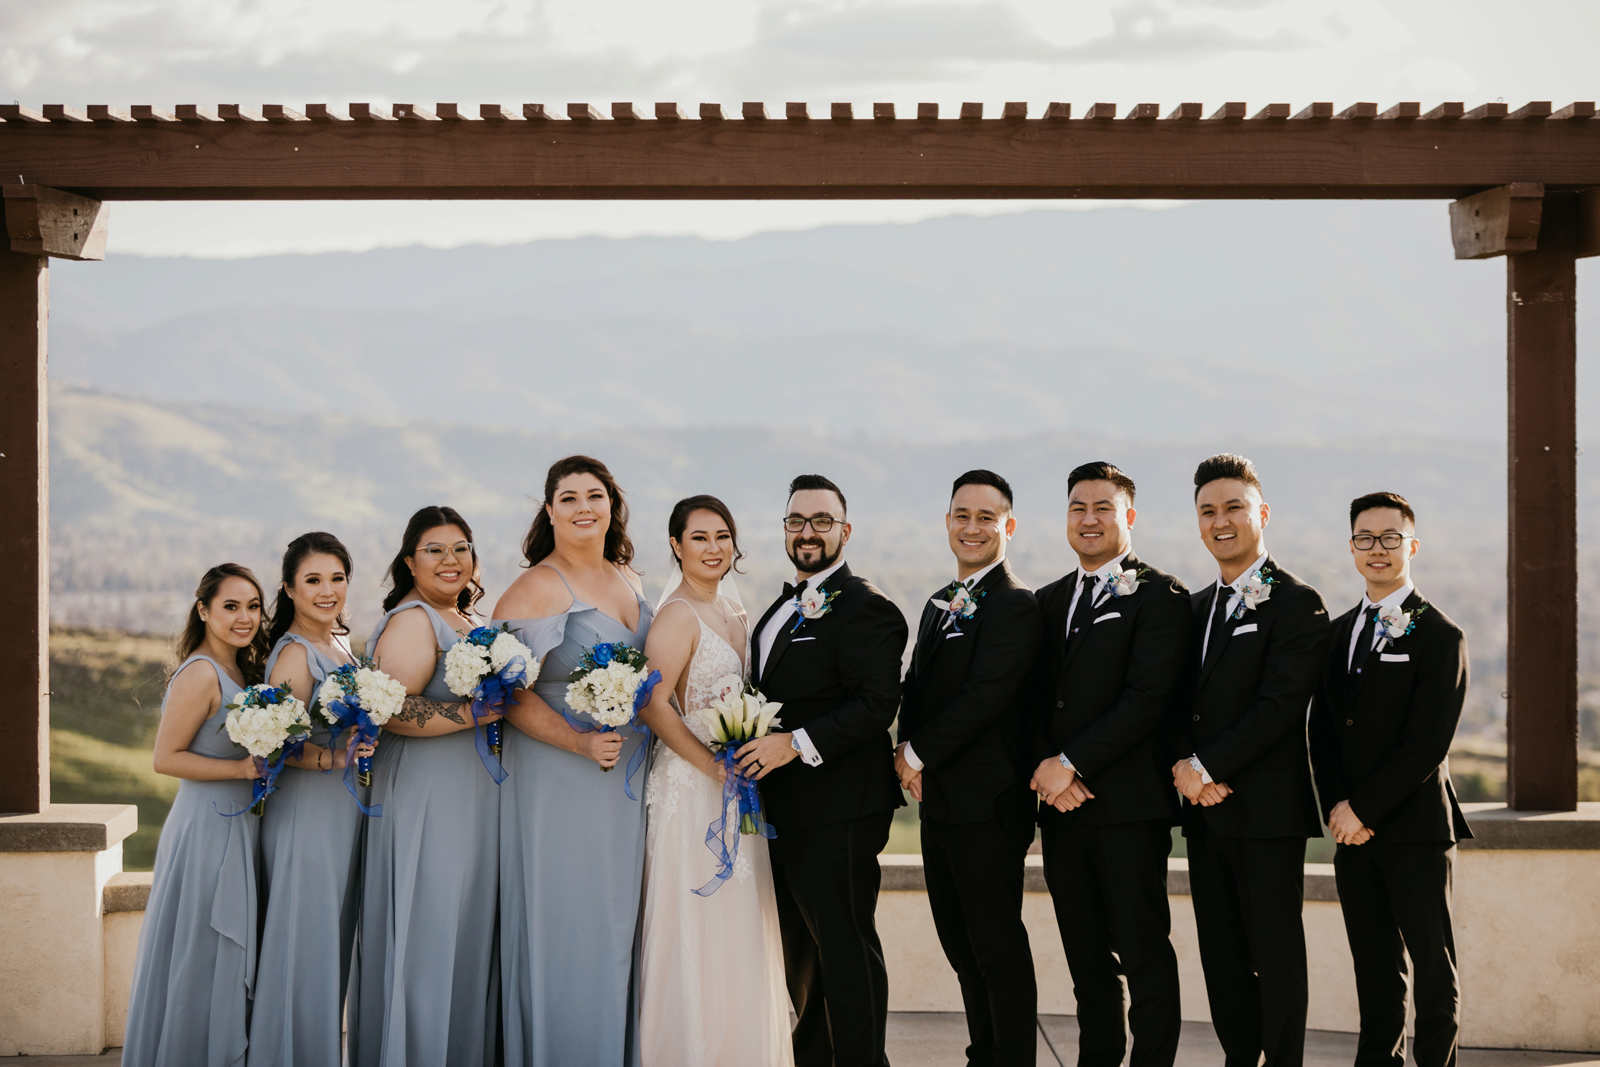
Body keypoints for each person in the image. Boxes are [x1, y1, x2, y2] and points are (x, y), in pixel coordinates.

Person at [735, 474, 909, 1067]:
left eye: (821, 521)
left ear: (845, 531)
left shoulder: (868, 607)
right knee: (803, 958)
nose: (807, 532)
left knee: (846, 950)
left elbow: (875, 705)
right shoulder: (778, 608)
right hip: (784, 811)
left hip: (841, 809)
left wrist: (794, 744)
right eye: (796, 521)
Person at [492, 455, 655, 1067]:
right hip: (561, 776)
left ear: (612, 505)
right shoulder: (534, 588)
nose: (584, 507)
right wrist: (579, 741)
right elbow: (505, 695)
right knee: (570, 918)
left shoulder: (629, 578)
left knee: (616, 922)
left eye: (595, 495)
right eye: (569, 498)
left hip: (628, 775)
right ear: (550, 510)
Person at [1028, 462, 1191, 1067]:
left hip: (1129, 808)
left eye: (1103, 507)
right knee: (1086, 958)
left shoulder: (1162, 595)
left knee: (1144, 952)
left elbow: (1148, 698)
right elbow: (1028, 700)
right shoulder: (1047, 600)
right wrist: (1047, 770)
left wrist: (1071, 763)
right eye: (1078, 507)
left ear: (1130, 516)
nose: (1089, 519)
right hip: (1062, 810)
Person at [1171, 453, 1330, 1067]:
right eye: (1208, 511)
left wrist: (1207, 767)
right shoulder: (1192, 609)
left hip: (1267, 812)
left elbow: (1280, 706)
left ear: (1262, 513)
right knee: (1223, 957)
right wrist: (1186, 768)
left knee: (1276, 953)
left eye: (1234, 507)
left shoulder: (1298, 603)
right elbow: (1172, 703)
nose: (1221, 521)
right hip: (1204, 814)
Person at [1309, 492, 1471, 1067]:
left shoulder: (1441, 635)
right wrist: (1338, 809)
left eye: (1390, 538)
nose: (1377, 549)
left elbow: (1427, 742)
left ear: (1412, 546)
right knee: (1375, 970)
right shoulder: (1336, 634)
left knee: (1433, 967)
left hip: (1417, 830)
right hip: (1352, 835)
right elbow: (1323, 731)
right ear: (1352, 547)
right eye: (1365, 538)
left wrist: (1364, 809)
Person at [636, 495, 794, 1067]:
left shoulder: (735, 612)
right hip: (690, 786)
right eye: (699, 537)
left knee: (738, 925)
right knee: (695, 922)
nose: (713, 547)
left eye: (722, 536)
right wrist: (710, 766)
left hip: (736, 787)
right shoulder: (677, 615)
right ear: (676, 546)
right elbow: (653, 704)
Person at [895, 469, 1042, 1067]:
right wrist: (906, 750)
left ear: (1009, 526)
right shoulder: (939, 602)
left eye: (987, 517)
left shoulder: (1016, 604)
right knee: (961, 948)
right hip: (941, 804)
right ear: (948, 522)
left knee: (997, 949)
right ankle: (984, 1054)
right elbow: (916, 686)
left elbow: (984, 697)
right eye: (962, 515)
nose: (972, 527)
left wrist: (915, 754)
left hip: (990, 805)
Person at [346, 506, 503, 1067]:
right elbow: (390, 710)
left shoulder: (464, 618)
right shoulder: (414, 620)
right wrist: (472, 715)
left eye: (460, 548)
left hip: (471, 795)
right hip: (427, 793)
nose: (449, 560)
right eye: (434, 550)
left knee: (462, 933)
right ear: (410, 562)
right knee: (429, 929)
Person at [122, 564, 270, 1067]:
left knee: (218, 956)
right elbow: (165, 758)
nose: (244, 617)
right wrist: (241, 770)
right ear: (203, 610)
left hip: (239, 822)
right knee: (201, 953)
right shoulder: (202, 672)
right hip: (207, 826)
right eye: (230, 607)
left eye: (253, 606)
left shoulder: (242, 671)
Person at [250, 532, 377, 1067]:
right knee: (303, 945)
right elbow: (273, 744)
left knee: (329, 945)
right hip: (306, 813)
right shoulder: (295, 655)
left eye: (337, 578)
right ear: (289, 588)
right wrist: (334, 758)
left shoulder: (338, 644)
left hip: (342, 813)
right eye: (313, 580)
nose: (328, 591)